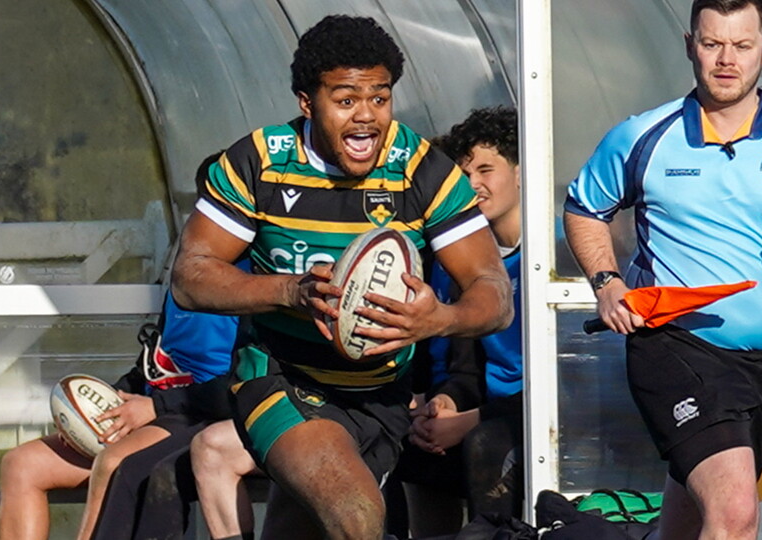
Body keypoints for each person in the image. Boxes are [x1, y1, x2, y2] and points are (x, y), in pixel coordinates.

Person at [171, 14, 513, 540]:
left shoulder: (423, 171)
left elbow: (494, 294)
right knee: (356, 515)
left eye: (380, 97)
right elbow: (190, 276)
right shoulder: (259, 162)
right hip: (283, 379)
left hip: (383, 398)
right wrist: (291, 291)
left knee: (303, 529)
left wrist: (438, 319)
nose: (366, 116)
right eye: (346, 99)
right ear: (308, 102)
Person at [563, 1, 762, 539]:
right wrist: (607, 283)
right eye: (713, 44)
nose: (727, 60)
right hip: (673, 345)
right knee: (734, 512)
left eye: (742, 45)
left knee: (690, 522)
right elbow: (583, 209)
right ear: (690, 46)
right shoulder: (643, 136)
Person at [0, 153, 238, 540]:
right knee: (22, 464)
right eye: (205, 206)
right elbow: (158, 358)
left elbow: (245, 389)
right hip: (156, 408)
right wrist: (97, 412)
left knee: (113, 463)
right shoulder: (189, 269)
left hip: (201, 415)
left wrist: (157, 407)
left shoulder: (258, 278)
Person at [394, 106, 524, 537]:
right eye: (464, 174)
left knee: (487, 445)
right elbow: (465, 364)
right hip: (489, 409)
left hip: (533, 416)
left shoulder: (555, 257)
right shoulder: (468, 268)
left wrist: (472, 420)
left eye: (486, 170)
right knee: (410, 445)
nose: (473, 185)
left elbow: (570, 385)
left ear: (522, 173)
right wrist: (446, 402)